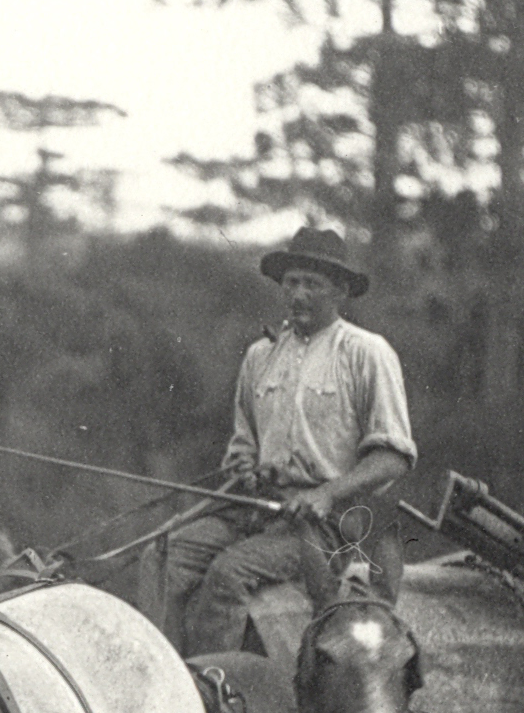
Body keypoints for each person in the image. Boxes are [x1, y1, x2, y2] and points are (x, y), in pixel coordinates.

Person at [161, 222, 416, 656]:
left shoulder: (366, 353)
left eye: (312, 285)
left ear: (340, 292)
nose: (297, 294)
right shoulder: (260, 356)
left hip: (330, 524)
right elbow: (241, 446)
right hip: (258, 510)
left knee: (229, 573)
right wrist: (244, 468)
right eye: (291, 283)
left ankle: (216, 693)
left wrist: (326, 494)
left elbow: (393, 458)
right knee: (167, 555)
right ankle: (163, 676)